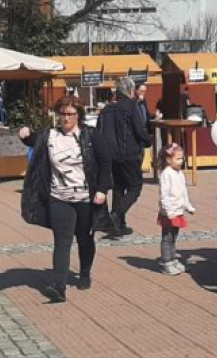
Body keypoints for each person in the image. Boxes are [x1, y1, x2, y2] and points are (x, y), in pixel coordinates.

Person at [19, 96, 112, 303]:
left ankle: (85, 273)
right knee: (62, 241)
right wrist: (24, 135)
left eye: (70, 114)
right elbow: (33, 138)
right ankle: (59, 286)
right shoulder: (50, 135)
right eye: (62, 114)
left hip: (85, 198)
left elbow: (105, 163)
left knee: (84, 238)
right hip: (59, 197)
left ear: (78, 116)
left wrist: (102, 190)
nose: (66, 118)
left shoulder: (91, 135)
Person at [96, 76, 152, 236]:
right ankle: (116, 214)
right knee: (135, 187)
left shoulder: (106, 110)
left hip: (110, 156)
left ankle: (118, 225)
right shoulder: (130, 106)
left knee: (119, 188)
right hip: (129, 154)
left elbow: (99, 133)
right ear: (130, 91)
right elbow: (139, 130)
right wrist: (148, 141)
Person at [157, 143, 195, 276]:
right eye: (178, 159)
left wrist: (187, 206)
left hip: (178, 211)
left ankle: (173, 259)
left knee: (174, 236)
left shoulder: (179, 173)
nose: (181, 161)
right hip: (169, 212)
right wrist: (168, 212)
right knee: (167, 237)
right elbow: (164, 195)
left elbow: (183, 191)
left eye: (182, 158)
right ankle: (166, 261)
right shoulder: (166, 174)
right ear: (168, 160)